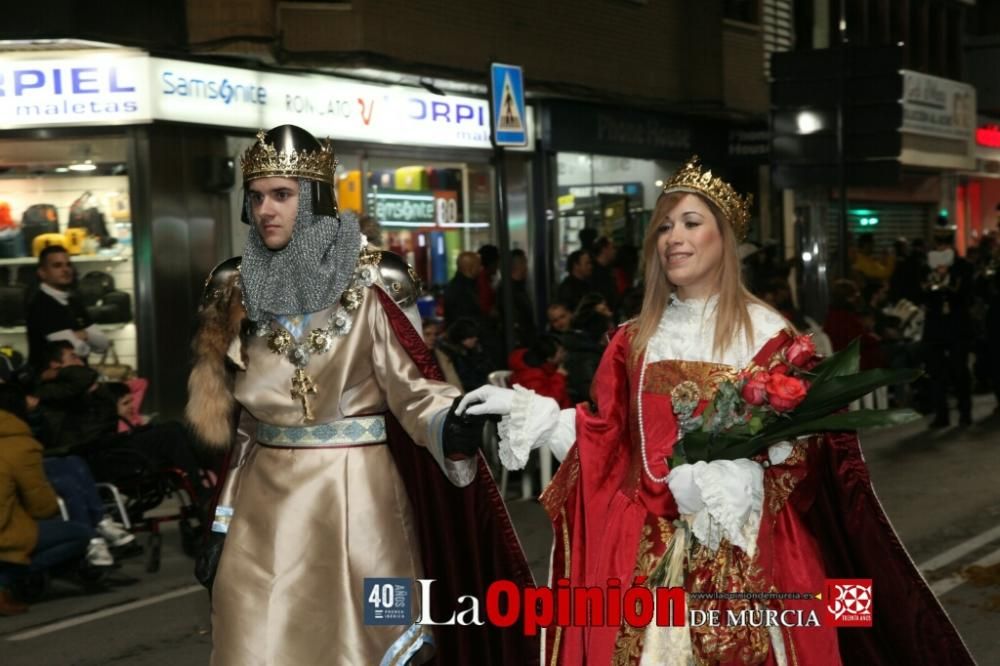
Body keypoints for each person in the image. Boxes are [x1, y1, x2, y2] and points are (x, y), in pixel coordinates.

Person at [458, 157, 972, 665]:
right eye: (663, 227)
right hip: (647, 558)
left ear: (723, 238)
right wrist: (537, 412)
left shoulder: (769, 334)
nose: (672, 238)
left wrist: (736, 477)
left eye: (690, 223)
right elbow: (611, 438)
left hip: (750, 552)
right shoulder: (633, 339)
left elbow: (804, 457)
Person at [185, 125, 535, 665]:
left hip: (362, 503)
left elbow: (414, 388)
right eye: (256, 196)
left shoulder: (377, 280)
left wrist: (451, 422)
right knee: (250, 641)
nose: (265, 210)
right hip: (261, 507)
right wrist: (221, 522)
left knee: (383, 638)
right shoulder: (235, 288)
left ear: (317, 200)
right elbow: (246, 432)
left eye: (282, 194)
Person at [0, 383, 96, 615]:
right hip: (5, 532)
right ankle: (5, 581)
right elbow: (41, 505)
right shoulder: (19, 444)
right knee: (79, 534)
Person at [26, 245, 110, 370]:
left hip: (76, 381)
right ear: (42, 273)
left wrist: (83, 335)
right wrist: (87, 338)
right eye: (57, 265)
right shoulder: (41, 304)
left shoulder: (73, 301)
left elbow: (103, 345)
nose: (66, 270)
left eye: (68, 264)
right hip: (52, 384)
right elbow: (75, 351)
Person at [443, 250, 484, 326]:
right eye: (478, 265)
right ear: (471, 268)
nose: (481, 268)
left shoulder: (456, 286)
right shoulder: (461, 291)